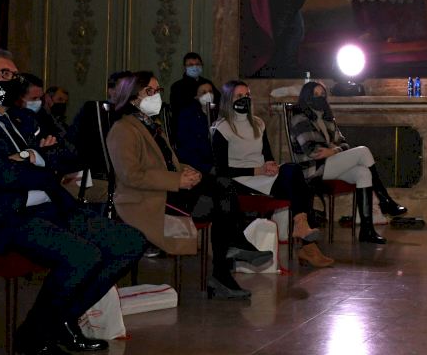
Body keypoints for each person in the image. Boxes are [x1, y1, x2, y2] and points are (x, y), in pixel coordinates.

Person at [0, 49, 145, 355]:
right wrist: (43, 161)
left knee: (129, 242)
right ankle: (37, 335)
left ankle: (60, 318)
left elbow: (72, 154)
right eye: (5, 74)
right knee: (83, 254)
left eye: (15, 74)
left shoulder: (23, 118)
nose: (14, 80)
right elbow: (1, 174)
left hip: (49, 207)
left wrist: (30, 156)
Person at [106, 71, 272, 300]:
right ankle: (228, 261)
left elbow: (169, 162)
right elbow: (130, 175)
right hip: (146, 199)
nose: (155, 96)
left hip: (169, 192)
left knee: (223, 188)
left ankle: (228, 260)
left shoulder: (152, 125)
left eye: (157, 90)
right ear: (133, 97)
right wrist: (177, 180)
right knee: (220, 202)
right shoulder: (123, 129)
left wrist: (188, 171)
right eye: (149, 91)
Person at [211, 80, 333, 268]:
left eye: (247, 95)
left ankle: (302, 228)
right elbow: (221, 170)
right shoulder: (221, 128)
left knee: (294, 171)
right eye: (239, 96)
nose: (245, 99)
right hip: (239, 180)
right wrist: (257, 170)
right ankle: (307, 245)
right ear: (228, 99)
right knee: (297, 186)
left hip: (262, 176)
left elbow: (267, 154)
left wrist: (271, 165)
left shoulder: (258, 123)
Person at [288, 81, 408, 244]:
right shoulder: (299, 117)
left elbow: (344, 144)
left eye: (322, 95)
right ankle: (385, 200)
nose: (319, 98)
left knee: (363, 173)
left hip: (330, 163)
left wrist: (333, 150)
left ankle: (367, 231)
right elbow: (313, 151)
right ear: (306, 96)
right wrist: (332, 149)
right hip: (312, 169)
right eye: (315, 95)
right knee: (363, 151)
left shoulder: (327, 118)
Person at [167, 52, 213, 136]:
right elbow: (178, 108)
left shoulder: (207, 83)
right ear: (185, 67)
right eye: (191, 65)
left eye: (197, 64)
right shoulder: (177, 86)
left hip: (207, 125)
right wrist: (197, 99)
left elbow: (217, 100)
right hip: (186, 129)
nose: (195, 67)